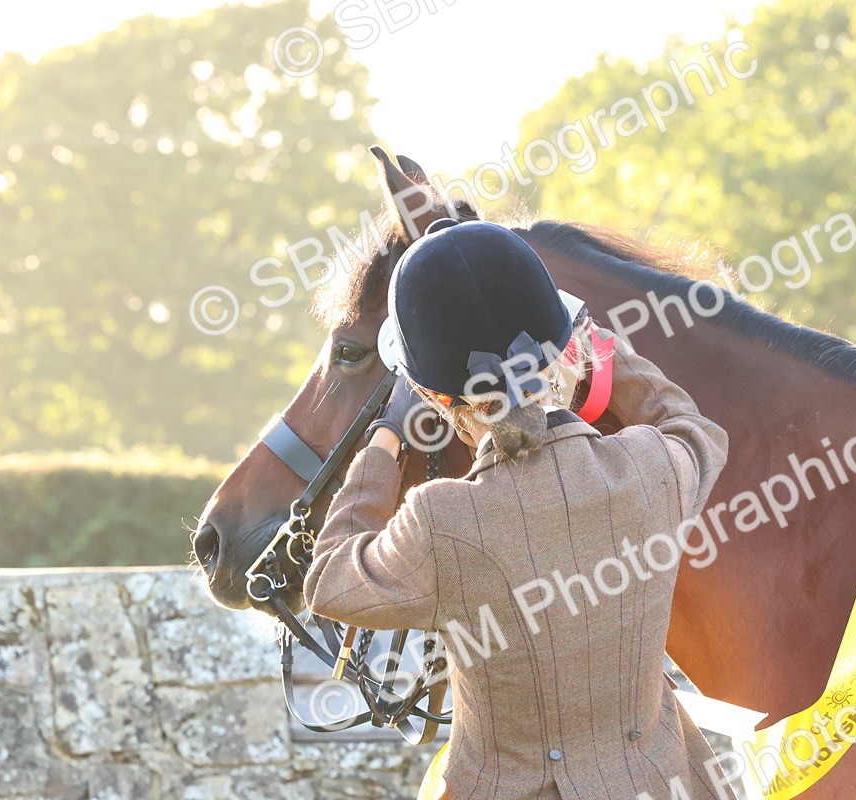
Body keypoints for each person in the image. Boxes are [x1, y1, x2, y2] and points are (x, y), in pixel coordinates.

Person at [303, 218, 734, 799]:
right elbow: (694, 428)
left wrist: (383, 439)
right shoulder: (653, 469)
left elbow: (329, 582)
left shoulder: (439, 522)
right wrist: (605, 350)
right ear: (564, 353)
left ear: (434, 398)